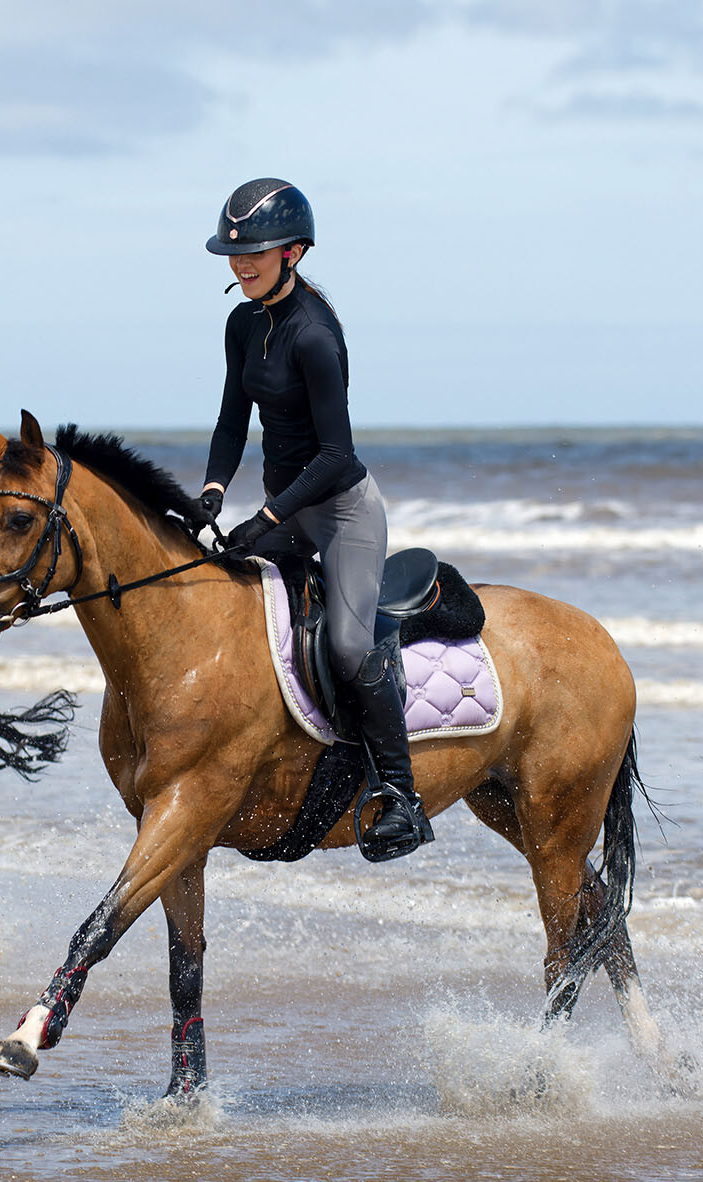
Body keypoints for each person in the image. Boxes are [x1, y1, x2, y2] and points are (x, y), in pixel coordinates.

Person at [197, 178, 432, 861]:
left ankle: (401, 795)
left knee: (351, 649)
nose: (242, 265)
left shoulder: (314, 335)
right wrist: (213, 491)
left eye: (257, 254)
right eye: (234, 254)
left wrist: (266, 513)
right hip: (287, 505)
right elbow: (230, 419)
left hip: (340, 512)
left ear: (293, 252)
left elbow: (337, 455)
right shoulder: (242, 323)